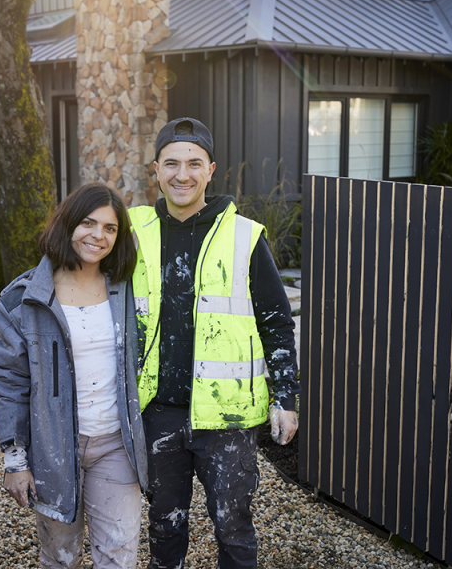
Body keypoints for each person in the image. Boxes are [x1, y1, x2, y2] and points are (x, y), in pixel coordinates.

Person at [129, 117, 301, 569]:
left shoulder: (245, 236)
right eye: (171, 163)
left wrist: (285, 397)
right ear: (155, 170)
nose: (181, 174)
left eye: (193, 163)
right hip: (158, 410)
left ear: (211, 170)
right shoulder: (132, 233)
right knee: (164, 526)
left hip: (227, 418)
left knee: (233, 526)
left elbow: (277, 322)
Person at [0, 183, 148, 569]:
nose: (98, 236)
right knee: (60, 557)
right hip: (53, 451)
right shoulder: (23, 300)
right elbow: (10, 384)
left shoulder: (127, 291)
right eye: (88, 223)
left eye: (110, 228)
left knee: (119, 557)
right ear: (68, 224)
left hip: (115, 446)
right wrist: (15, 459)